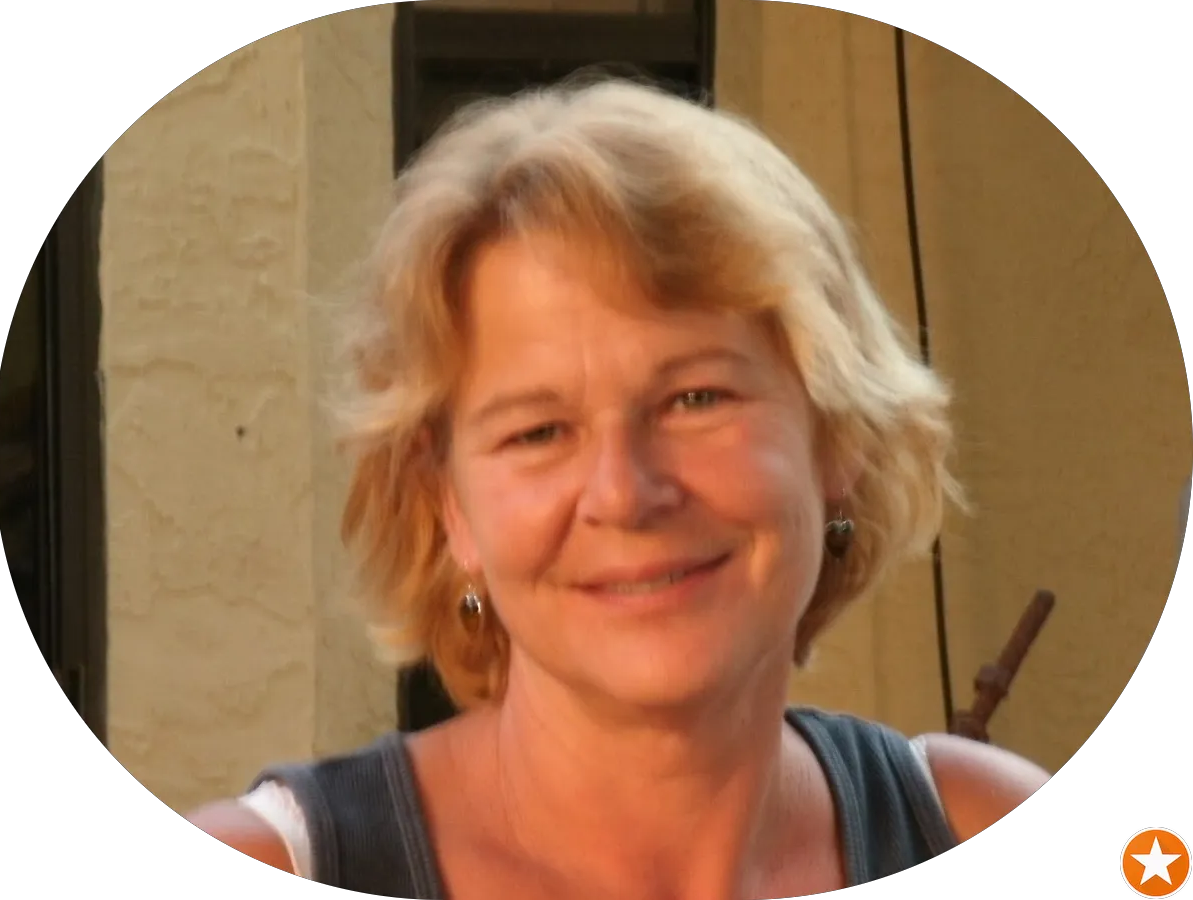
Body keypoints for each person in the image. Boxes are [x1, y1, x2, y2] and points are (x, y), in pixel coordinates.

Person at [189, 75, 1050, 899]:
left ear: (838, 432)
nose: (624, 495)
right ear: (449, 503)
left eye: (695, 399)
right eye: (538, 432)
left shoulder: (973, 817)